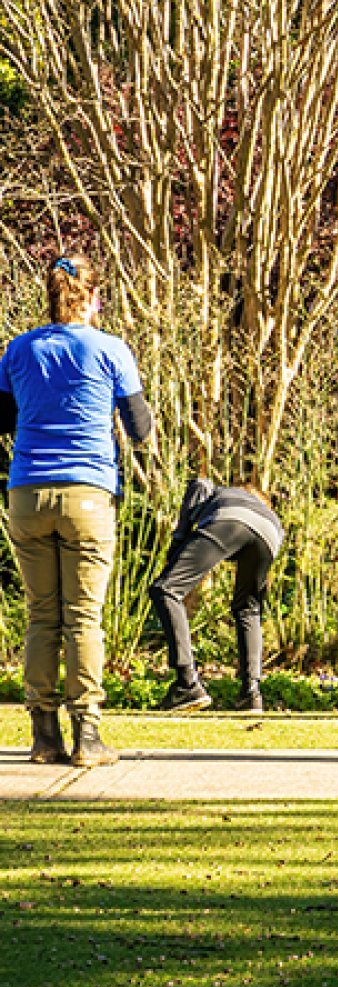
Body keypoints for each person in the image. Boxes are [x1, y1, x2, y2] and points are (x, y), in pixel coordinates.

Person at [1, 256, 154, 767]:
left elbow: (2, 419)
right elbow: (140, 426)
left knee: (42, 615)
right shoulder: (110, 348)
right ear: (90, 299)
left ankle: (44, 736)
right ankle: (87, 735)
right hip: (87, 494)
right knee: (83, 616)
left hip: (26, 494)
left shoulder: (18, 349)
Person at [150, 478, 285, 713]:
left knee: (166, 589)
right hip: (272, 534)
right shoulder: (265, 510)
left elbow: (199, 484)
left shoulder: (223, 492)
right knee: (248, 609)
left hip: (230, 520)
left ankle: (187, 683)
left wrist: (179, 539)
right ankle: (251, 694)